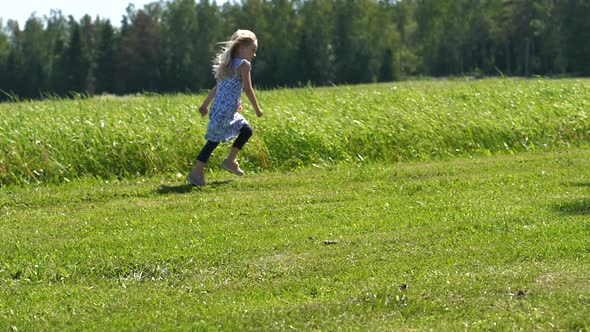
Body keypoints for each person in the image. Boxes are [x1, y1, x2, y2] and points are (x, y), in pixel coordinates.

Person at [186, 29, 264, 186]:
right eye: (253, 50)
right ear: (242, 47)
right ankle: (196, 173)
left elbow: (217, 87)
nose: (254, 54)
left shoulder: (229, 64)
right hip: (226, 110)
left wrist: (205, 105)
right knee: (213, 141)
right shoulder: (244, 65)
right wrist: (257, 109)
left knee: (246, 130)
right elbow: (248, 89)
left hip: (221, 109)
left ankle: (230, 161)